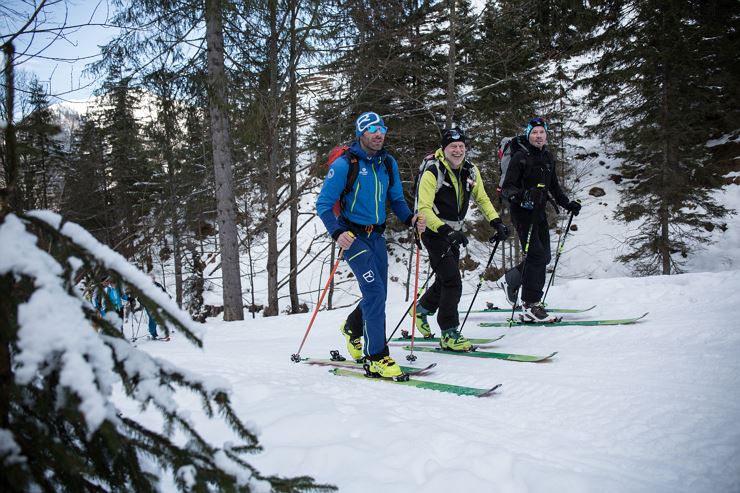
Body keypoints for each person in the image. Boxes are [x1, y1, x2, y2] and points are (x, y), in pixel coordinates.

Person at [316, 111, 426, 378]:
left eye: (382, 129)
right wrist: (337, 233)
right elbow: (322, 205)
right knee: (375, 293)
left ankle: (352, 328)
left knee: (378, 295)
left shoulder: (388, 163)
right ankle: (376, 356)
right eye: (372, 130)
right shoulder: (345, 165)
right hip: (352, 237)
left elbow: (397, 200)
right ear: (361, 133)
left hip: (376, 237)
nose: (379, 134)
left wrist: (411, 218)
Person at [413, 128, 509, 351]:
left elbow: (482, 198)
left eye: (461, 147)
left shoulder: (470, 170)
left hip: (454, 232)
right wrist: (445, 230)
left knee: (445, 278)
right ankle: (449, 333)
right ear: (444, 149)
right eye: (452, 147)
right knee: (452, 281)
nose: (457, 151)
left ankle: (422, 310)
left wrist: (496, 222)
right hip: (433, 231)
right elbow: (423, 208)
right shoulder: (432, 171)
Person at [499, 117, 581, 322]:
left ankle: (512, 280)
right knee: (536, 256)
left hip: (539, 213)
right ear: (528, 134)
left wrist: (567, 203)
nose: (538, 136)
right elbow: (507, 188)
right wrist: (525, 195)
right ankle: (530, 303)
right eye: (534, 132)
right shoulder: (520, 157)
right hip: (522, 213)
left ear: (546, 135)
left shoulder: (547, 157)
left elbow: (554, 186)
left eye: (542, 132)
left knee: (544, 257)